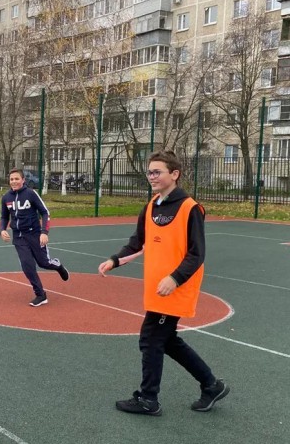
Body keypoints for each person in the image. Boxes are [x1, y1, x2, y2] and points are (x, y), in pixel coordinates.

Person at [98, 150, 229, 416]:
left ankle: (148, 399)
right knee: (167, 341)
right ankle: (211, 385)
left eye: (157, 171)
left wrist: (174, 278)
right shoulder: (151, 207)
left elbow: (197, 253)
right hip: (157, 288)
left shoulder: (190, 208)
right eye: (149, 172)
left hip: (175, 288)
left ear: (175, 174)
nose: (152, 177)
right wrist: (115, 259)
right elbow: (138, 242)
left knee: (150, 339)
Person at [0, 168, 69, 307]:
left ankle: (58, 265)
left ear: (23, 180)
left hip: (35, 235)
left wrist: (44, 232)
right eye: (11, 179)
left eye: (17, 179)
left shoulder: (31, 194)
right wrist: (2, 230)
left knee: (43, 263)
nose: (14, 181)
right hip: (19, 237)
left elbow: (45, 212)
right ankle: (40, 295)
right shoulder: (6, 198)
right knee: (27, 265)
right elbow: (4, 216)